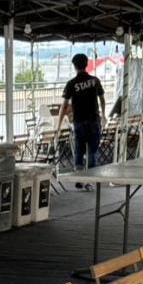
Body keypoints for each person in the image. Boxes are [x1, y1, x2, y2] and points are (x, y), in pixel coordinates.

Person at [56, 53, 106, 188]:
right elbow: (102, 99)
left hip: (79, 121)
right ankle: (89, 180)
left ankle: (79, 178)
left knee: (79, 150)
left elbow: (64, 106)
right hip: (94, 120)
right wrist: (103, 115)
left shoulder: (71, 84)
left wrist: (59, 125)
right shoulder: (95, 81)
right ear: (86, 64)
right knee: (92, 151)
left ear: (74, 66)